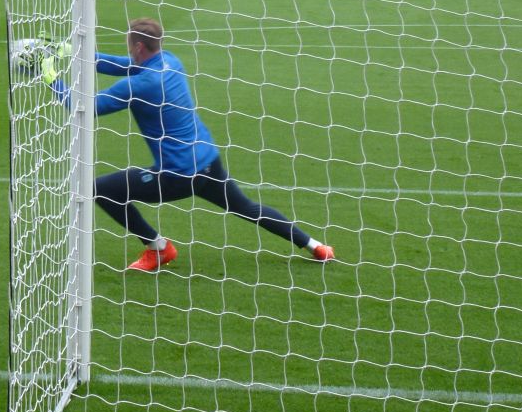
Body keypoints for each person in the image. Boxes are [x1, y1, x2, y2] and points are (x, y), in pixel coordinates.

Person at [41, 18, 334, 271]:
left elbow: (85, 107)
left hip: (178, 175)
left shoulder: (141, 85)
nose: (129, 50)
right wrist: (75, 52)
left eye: (130, 45)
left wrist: (52, 78)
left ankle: (159, 247)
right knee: (247, 206)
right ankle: (315, 245)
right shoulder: (169, 60)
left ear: (139, 47)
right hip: (207, 160)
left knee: (101, 190)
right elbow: (124, 65)